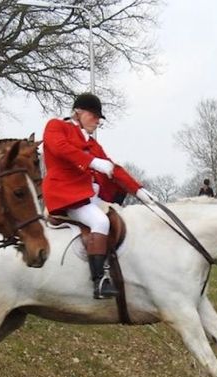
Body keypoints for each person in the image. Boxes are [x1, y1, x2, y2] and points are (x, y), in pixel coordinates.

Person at [42, 92, 156, 299]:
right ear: (78, 112)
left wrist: (139, 190)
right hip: (67, 195)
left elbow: (113, 168)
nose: (97, 121)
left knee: (123, 218)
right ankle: (99, 280)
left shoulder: (92, 143)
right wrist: (92, 162)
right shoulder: (56, 126)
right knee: (100, 222)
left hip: (90, 196)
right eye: (94, 116)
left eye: (98, 119)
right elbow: (60, 149)